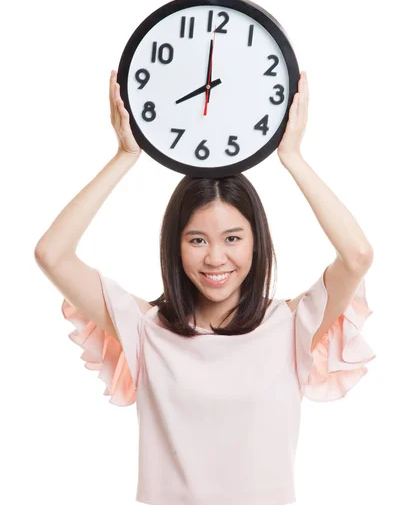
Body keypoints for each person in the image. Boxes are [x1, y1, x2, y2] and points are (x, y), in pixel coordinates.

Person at [34, 70, 376, 505]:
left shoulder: (291, 327)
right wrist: (123, 156)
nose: (216, 258)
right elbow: (52, 255)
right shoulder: (146, 329)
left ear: (257, 242)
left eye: (233, 238)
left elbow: (358, 257)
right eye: (197, 240)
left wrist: (292, 156)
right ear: (174, 246)